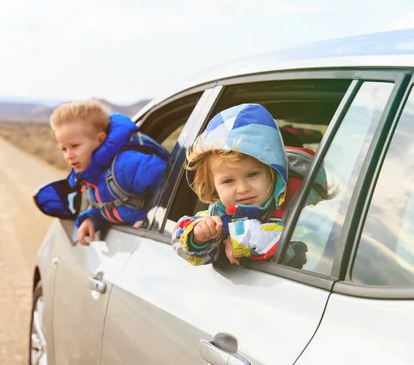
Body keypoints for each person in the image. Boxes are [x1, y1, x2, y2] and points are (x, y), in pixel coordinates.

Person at [172, 103, 330, 267]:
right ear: (212, 186)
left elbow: (310, 240)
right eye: (228, 181)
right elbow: (182, 243)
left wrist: (243, 241)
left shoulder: (300, 202)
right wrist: (198, 235)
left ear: (273, 172)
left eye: (252, 175)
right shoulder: (219, 214)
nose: (243, 189)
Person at [50, 100, 169, 246]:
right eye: (64, 149)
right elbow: (110, 202)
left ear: (100, 140)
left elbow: (172, 186)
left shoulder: (127, 166)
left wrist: (152, 219)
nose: (69, 155)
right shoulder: (92, 175)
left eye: (74, 146)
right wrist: (92, 218)